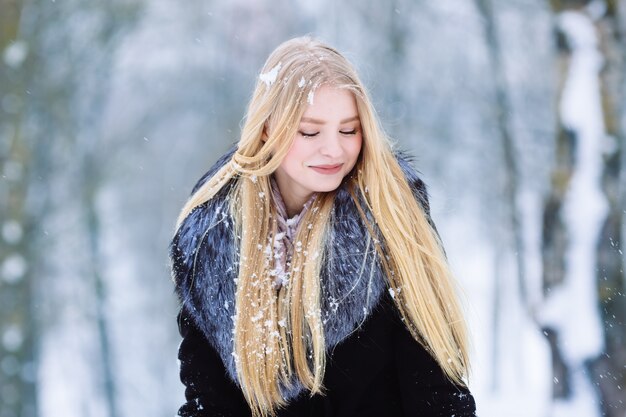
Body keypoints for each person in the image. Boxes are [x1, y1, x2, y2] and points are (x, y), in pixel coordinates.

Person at [168, 36, 477, 417]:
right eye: (310, 131)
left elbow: (438, 391)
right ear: (267, 128)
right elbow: (208, 404)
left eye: (349, 130)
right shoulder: (209, 238)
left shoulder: (393, 216)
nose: (334, 149)